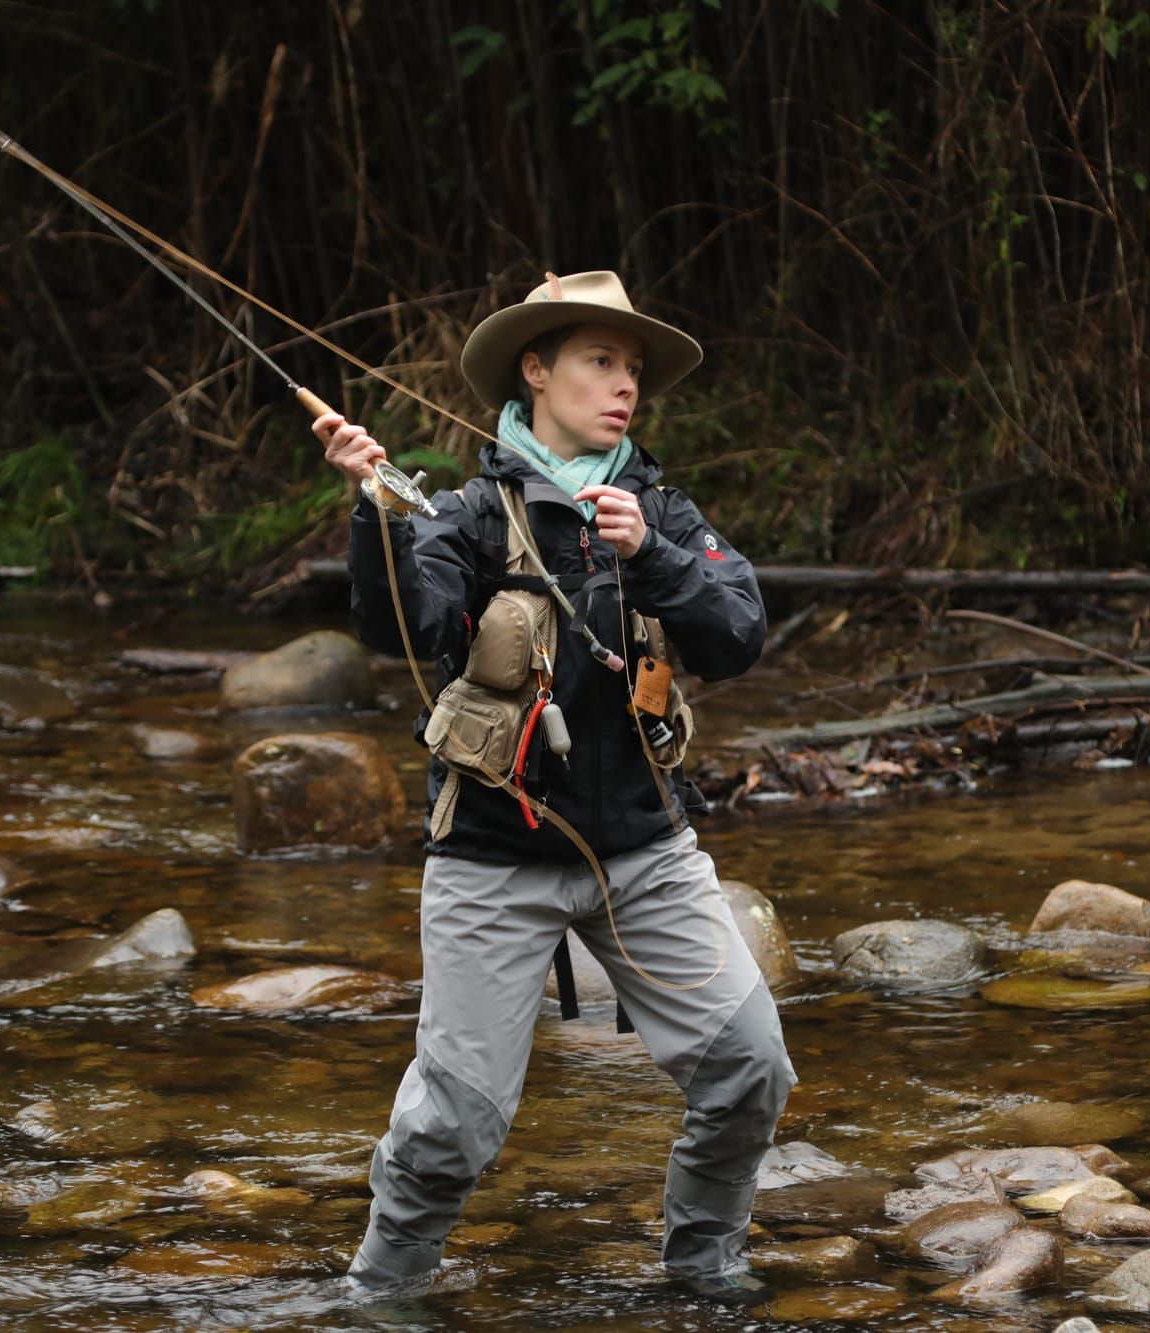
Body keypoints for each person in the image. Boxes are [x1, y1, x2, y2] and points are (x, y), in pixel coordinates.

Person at [312, 271, 795, 1303]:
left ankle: (702, 1270)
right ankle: (379, 1295)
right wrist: (373, 510)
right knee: (453, 1124)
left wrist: (651, 553)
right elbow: (405, 624)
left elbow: (738, 633)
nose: (622, 385)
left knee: (751, 1067)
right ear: (535, 369)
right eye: (598, 361)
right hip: (493, 857)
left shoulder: (657, 507)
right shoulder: (464, 515)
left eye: (631, 368)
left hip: (644, 854)